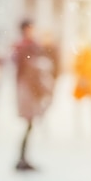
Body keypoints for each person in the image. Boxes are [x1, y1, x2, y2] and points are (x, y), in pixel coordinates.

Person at [12, 19, 57, 171]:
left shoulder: (22, 46)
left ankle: (23, 158)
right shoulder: (27, 47)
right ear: (27, 29)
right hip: (28, 90)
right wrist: (44, 90)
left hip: (25, 89)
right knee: (29, 124)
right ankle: (22, 159)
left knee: (29, 124)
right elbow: (32, 72)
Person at [72, 39, 91, 134]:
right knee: (90, 107)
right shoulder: (87, 54)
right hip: (86, 84)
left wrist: (84, 78)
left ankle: (84, 127)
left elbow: (90, 68)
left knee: (85, 107)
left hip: (85, 84)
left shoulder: (86, 54)